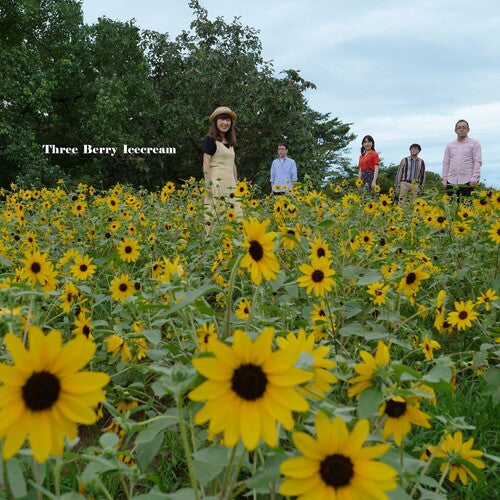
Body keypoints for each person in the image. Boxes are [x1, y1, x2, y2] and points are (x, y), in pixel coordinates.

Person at [202, 106, 241, 227]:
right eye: (222, 119)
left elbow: (233, 164)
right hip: (216, 183)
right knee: (217, 215)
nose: (225, 123)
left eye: (228, 120)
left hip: (230, 185)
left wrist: (236, 183)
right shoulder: (210, 139)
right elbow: (206, 162)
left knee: (235, 215)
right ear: (216, 122)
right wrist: (208, 184)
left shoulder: (230, 142)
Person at [442, 119, 482, 197]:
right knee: (451, 206)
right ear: (455, 130)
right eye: (459, 127)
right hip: (451, 180)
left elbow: (477, 161)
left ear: (468, 130)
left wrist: (474, 178)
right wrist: (444, 180)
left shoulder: (474, 143)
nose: (461, 129)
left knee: (466, 206)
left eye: (464, 127)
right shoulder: (450, 145)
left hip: (468, 181)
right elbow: (446, 163)